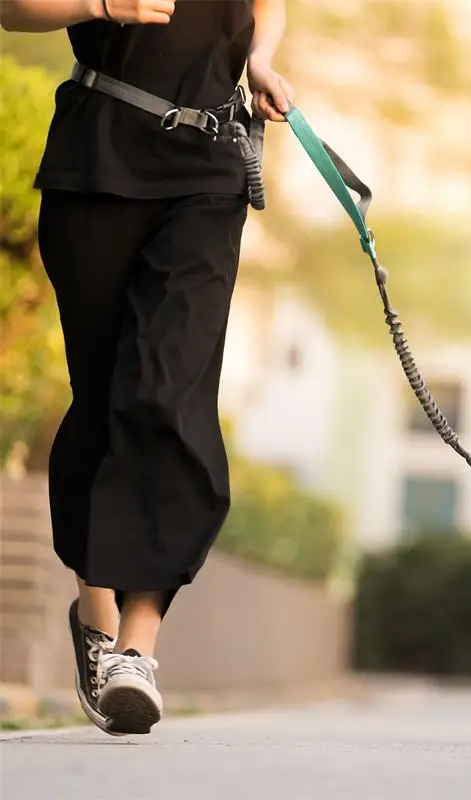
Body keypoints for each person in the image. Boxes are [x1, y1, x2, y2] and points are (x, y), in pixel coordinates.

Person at [0, 0, 293, 736]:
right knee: (103, 400)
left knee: (168, 394)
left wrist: (259, 59)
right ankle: (95, 610)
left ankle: (136, 650)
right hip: (97, 157)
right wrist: (101, 6)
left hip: (209, 170)